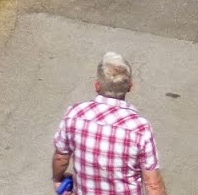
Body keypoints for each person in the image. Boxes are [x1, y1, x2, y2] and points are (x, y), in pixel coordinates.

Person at [52, 51, 166, 195]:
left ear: (97, 86)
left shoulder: (75, 115)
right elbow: (153, 184)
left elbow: (61, 157)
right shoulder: (140, 128)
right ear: (130, 86)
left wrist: (58, 179)